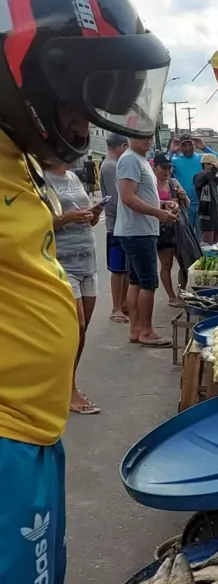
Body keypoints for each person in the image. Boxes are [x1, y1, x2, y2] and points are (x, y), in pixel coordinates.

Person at [0, 0, 171, 584]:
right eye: (78, 94)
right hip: (2, 439)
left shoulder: (16, 159)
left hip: (34, 430)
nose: (86, 118)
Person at [44, 162, 103, 415]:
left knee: (81, 331)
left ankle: (66, 382)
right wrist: (67, 218)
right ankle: (68, 390)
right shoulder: (41, 179)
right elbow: (37, 224)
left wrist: (94, 214)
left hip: (87, 259)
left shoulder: (73, 177)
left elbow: (87, 221)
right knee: (75, 327)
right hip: (62, 263)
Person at [115, 137, 176, 347]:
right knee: (148, 283)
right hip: (138, 232)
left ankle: (136, 329)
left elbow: (143, 195)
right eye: (142, 136)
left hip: (140, 230)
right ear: (130, 136)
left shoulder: (139, 159)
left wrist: (163, 205)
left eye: (150, 136)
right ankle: (146, 332)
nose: (148, 140)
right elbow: (127, 197)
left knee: (136, 281)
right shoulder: (130, 160)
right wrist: (158, 213)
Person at [152, 151, 190, 306]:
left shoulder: (173, 182)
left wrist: (183, 197)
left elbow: (186, 204)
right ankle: (171, 296)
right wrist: (164, 204)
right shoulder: (151, 183)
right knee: (166, 264)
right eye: (163, 168)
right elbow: (147, 204)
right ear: (155, 167)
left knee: (185, 263)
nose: (167, 171)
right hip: (162, 229)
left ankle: (182, 293)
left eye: (169, 168)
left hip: (178, 227)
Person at [100, 133, 130, 323]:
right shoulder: (111, 166)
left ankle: (124, 303)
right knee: (118, 269)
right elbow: (115, 199)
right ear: (122, 146)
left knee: (125, 268)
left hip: (122, 224)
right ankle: (116, 307)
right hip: (116, 224)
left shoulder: (113, 164)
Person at [169, 134, 218, 234]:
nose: (188, 148)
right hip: (185, 204)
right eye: (184, 145)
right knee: (187, 235)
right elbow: (162, 164)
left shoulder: (202, 159)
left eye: (190, 144)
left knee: (201, 235)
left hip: (203, 204)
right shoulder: (175, 161)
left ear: (194, 145)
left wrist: (205, 148)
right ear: (180, 147)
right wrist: (171, 151)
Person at [195, 153, 218, 242]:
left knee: (216, 243)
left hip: (216, 214)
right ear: (205, 165)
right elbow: (206, 177)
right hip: (206, 215)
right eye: (212, 165)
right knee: (207, 243)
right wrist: (214, 169)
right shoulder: (198, 177)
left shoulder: (214, 178)